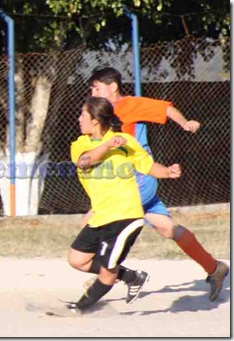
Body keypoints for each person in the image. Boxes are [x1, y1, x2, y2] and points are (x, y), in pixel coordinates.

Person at [87, 67, 229, 302]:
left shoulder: (130, 105)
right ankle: (215, 268)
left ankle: (116, 276)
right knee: (167, 228)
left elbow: (165, 108)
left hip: (139, 180)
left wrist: (184, 123)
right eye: (92, 88)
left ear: (113, 87)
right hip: (132, 181)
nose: (93, 91)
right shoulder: (103, 112)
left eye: (97, 87)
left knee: (97, 220)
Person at [66, 96, 182, 314]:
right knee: (77, 259)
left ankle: (79, 308)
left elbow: (147, 166)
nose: (79, 118)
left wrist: (167, 172)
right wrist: (107, 145)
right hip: (102, 215)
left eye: (83, 114)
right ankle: (132, 277)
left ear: (95, 120)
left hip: (125, 216)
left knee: (107, 274)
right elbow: (85, 161)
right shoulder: (80, 143)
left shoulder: (124, 141)